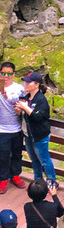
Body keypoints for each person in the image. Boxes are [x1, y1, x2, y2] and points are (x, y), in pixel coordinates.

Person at [15, 72, 55, 184]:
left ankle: (51, 182)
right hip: (28, 135)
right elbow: (23, 116)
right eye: (25, 82)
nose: (26, 84)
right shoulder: (26, 98)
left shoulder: (41, 99)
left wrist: (25, 107)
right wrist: (19, 110)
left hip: (40, 136)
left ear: (36, 84)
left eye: (28, 82)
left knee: (45, 160)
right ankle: (38, 181)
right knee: (34, 160)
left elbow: (37, 117)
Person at [0, 62, 26, 194]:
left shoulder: (19, 88)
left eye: (9, 73)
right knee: (3, 155)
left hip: (16, 127)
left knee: (17, 153)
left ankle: (15, 175)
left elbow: (21, 101)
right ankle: (3, 179)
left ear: (14, 74)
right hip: (1, 129)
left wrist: (8, 98)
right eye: (3, 73)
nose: (6, 76)